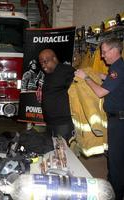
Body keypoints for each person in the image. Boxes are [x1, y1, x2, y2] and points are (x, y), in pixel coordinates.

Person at [74, 37, 124, 200]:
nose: (102, 56)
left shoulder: (118, 69)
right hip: (117, 120)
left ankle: (115, 194)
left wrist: (86, 78)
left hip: (119, 122)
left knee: (116, 161)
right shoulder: (116, 68)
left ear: (114, 50)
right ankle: (115, 186)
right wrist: (95, 74)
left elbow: (100, 92)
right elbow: (109, 79)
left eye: (104, 52)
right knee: (115, 159)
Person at [38, 48, 75, 144]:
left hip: (63, 122)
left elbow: (78, 91)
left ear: (54, 59)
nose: (43, 66)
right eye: (41, 63)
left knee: (65, 151)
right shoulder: (48, 73)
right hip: (50, 121)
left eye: (45, 62)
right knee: (53, 150)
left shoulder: (67, 71)